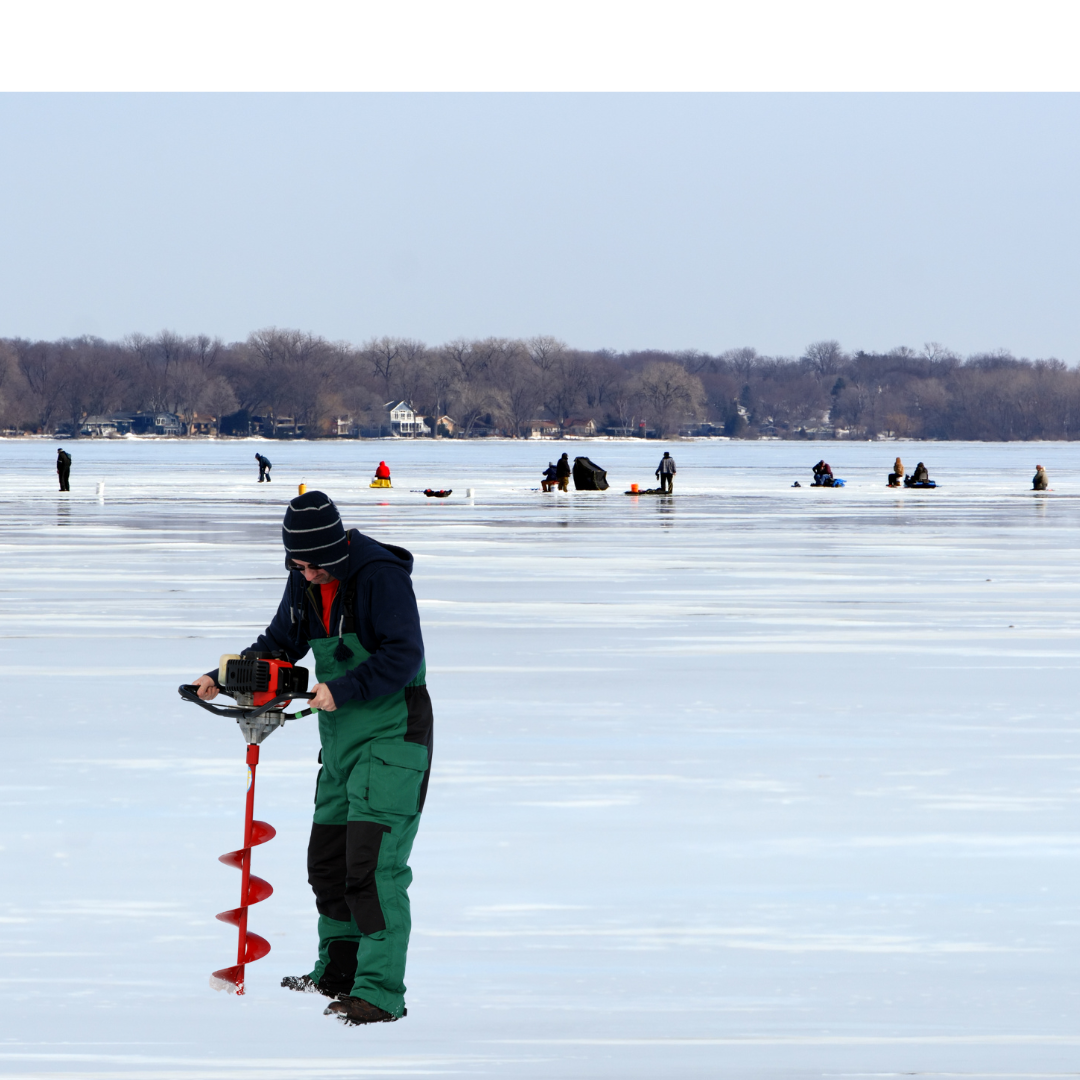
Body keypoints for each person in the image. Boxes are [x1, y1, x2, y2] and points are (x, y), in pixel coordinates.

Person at [189, 491, 432, 1026]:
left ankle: (380, 993)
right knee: (327, 863)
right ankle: (339, 974)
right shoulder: (304, 580)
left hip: (393, 736)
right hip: (342, 739)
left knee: (373, 868)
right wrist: (222, 676)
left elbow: (403, 653)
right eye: (295, 565)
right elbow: (279, 644)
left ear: (336, 551)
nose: (305, 574)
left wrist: (344, 688)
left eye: (312, 565)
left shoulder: (379, 576)